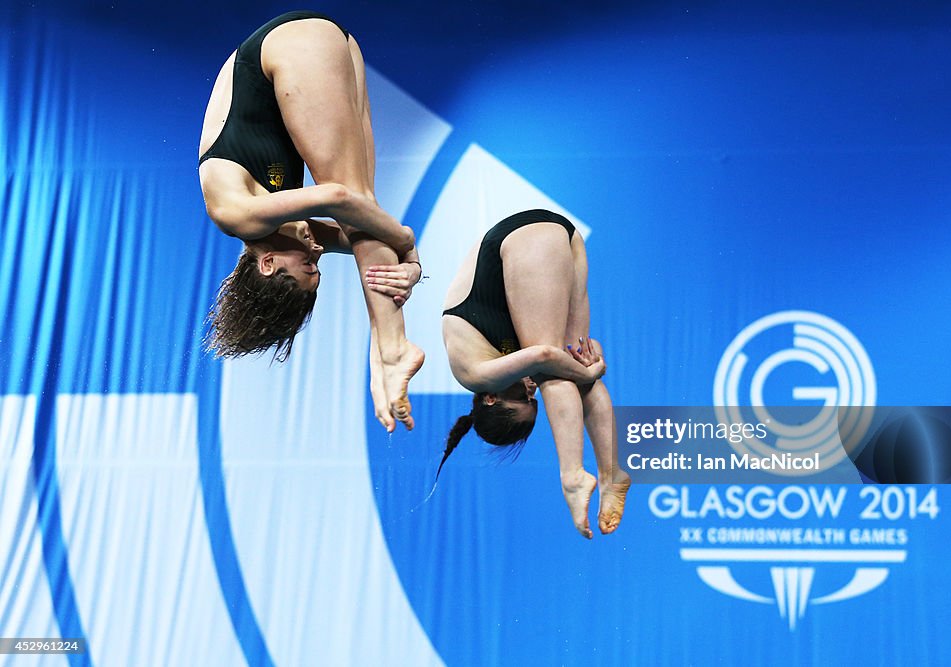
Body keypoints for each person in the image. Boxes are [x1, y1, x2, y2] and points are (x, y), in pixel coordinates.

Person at [198, 11, 423, 431]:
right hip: (331, 46)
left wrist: (406, 242)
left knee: (355, 198)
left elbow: (339, 198)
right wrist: (412, 267)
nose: (318, 251)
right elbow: (368, 227)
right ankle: (382, 348)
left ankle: (391, 348)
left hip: (283, 49)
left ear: (267, 265)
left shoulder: (237, 216)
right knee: (365, 215)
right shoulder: (284, 230)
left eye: (309, 265)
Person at [389, 209, 631, 538]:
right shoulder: (504, 370)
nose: (530, 392)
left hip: (521, 239)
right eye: (535, 401)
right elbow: (578, 356)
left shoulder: (474, 374)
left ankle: (572, 476)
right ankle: (612, 472)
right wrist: (590, 367)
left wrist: (586, 373)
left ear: (491, 398)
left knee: (554, 371)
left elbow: (546, 355)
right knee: (578, 368)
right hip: (562, 238)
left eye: (523, 398)